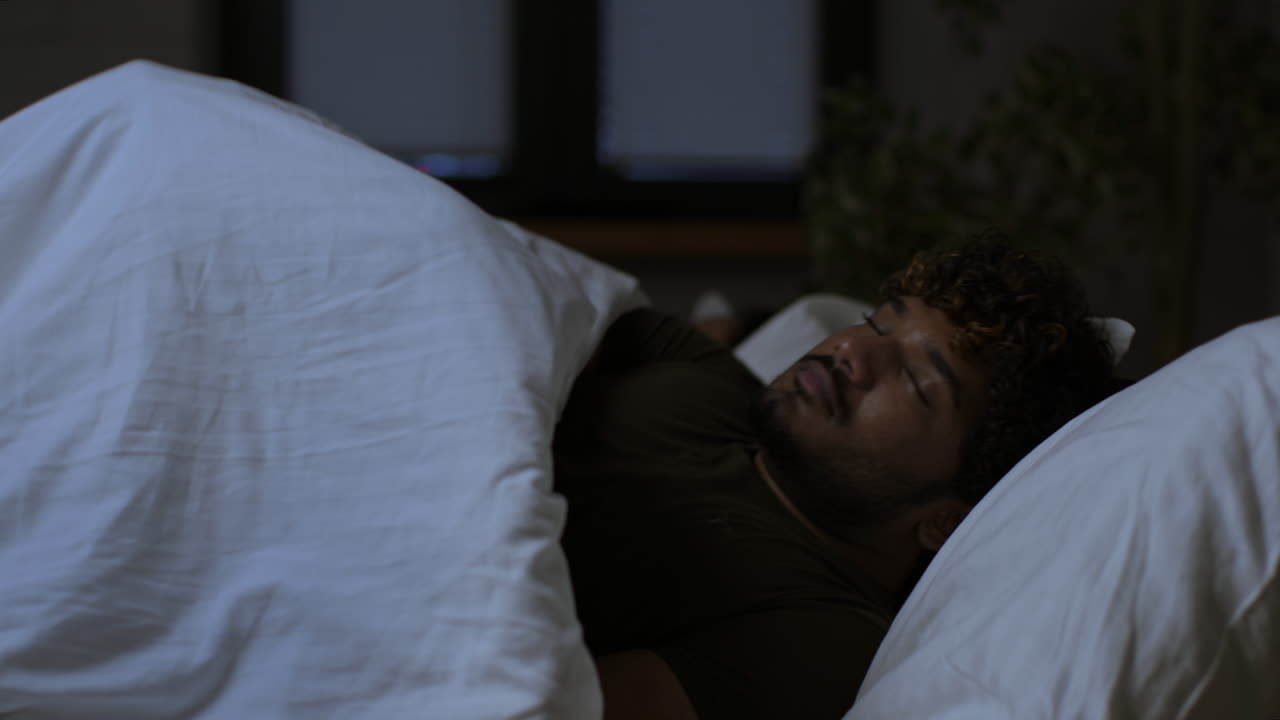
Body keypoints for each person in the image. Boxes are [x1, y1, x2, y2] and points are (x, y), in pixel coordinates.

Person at [552, 240, 1117, 720]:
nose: (853, 349)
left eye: (918, 382)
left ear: (948, 520)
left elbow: (550, 703)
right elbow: (532, 305)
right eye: (878, 323)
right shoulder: (716, 381)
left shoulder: (823, 640)